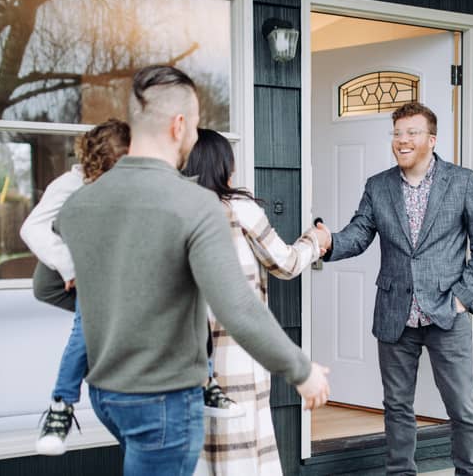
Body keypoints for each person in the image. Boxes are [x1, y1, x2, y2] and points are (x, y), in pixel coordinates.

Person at [55, 65, 330, 476]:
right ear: (179, 125)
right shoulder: (194, 203)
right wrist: (301, 369)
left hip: (107, 393)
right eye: (198, 125)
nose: (196, 135)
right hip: (164, 392)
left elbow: (52, 286)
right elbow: (237, 305)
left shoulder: (84, 201)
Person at [316, 102, 473, 476]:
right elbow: (358, 234)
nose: (402, 140)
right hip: (395, 314)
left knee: (462, 407)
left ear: (431, 139)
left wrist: (464, 297)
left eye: (411, 133)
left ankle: (471, 472)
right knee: (397, 406)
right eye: (397, 133)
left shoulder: (462, 181)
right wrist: (328, 242)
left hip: (448, 313)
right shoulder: (378, 186)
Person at [183, 129, 327, 475]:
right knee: (243, 444)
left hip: (187, 351)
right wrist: (316, 240)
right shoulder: (239, 209)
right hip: (238, 347)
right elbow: (287, 263)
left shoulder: (176, 213)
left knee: (201, 444)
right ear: (221, 167)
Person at [20, 119, 130, 455]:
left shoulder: (121, 186)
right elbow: (32, 229)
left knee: (95, 320)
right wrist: (69, 264)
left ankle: (63, 402)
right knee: (87, 319)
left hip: (108, 274)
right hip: (77, 268)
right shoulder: (71, 184)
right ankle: (61, 404)